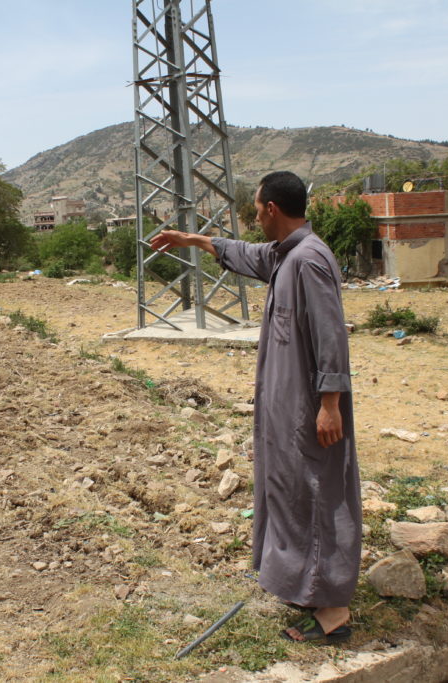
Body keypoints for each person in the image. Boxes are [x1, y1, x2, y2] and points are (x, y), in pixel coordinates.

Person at [150, 171, 361, 643]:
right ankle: (301, 584)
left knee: (316, 492)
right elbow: (245, 254)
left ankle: (332, 613)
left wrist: (330, 404)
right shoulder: (285, 257)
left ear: (271, 210)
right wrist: (192, 240)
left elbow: (331, 337)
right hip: (287, 405)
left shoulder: (309, 261)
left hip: (310, 407)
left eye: (256, 209)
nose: (254, 218)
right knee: (288, 489)